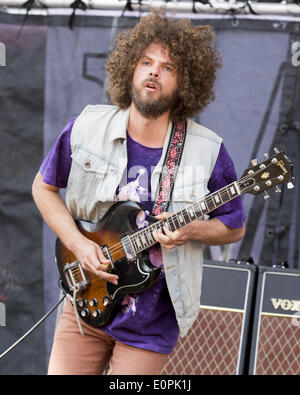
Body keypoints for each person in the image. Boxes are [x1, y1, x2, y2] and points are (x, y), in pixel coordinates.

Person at [32, 10, 246, 375]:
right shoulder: (86, 128)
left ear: (184, 83)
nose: (154, 71)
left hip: (151, 326)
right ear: (130, 68)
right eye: (146, 62)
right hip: (86, 303)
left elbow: (234, 226)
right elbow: (43, 187)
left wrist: (191, 230)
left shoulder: (207, 150)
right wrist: (81, 245)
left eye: (167, 67)